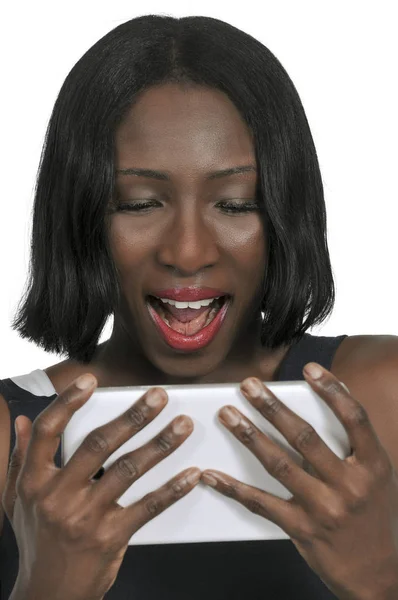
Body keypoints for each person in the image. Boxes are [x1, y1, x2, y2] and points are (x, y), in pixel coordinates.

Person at [1, 13, 397, 600]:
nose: (188, 252)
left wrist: (383, 580)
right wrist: (46, 590)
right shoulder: (13, 435)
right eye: (137, 204)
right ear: (80, 213)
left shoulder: (382, 395)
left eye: (236, 205)